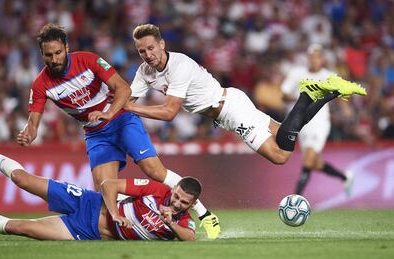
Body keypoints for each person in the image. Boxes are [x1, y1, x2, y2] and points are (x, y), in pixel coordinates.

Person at [15, 23, 220, 239]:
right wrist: (29, 133)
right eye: (49, 55)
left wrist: (109, 112)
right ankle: (137, 222)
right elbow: (33, 123)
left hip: (121, 120)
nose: (55, 59)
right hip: (96, 134)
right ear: (42, 54)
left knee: (154, 171)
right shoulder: (40, 84)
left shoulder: (88, 60)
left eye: (58, 52)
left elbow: (123, 88)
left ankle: (204, 213)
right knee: (105, 190)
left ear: (66, 48)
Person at [126, 24, 367, 167]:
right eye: (141, 51)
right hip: (230, 102)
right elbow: (126, 99)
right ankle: (331, 90)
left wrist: (131, 109)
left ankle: (305, 95)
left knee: (280, 155)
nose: (147, 54)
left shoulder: (179, 65)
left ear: (162, 44)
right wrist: (106, 109)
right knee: (286, 131)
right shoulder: (145, 71)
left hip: (230, 110)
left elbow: (169, 113)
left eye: (151, 48)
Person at [0, 144, 199, 241]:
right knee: (22, 179)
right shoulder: (157, 190)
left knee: (19, 227)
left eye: (184, 202)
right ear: (174, 188)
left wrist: (170, 223)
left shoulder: (183, 223)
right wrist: (115, 213)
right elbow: (109, 185)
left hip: (85, 231)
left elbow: (190, 238)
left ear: (192, 204)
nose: (177, 202)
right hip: (88, 202)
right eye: (177, 195)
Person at [281, 44, 353, 196]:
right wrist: (304, 99)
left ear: (322, 59)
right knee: (315, 162)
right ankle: (345, 177)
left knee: (308, 159)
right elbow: (284, 95)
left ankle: (295, 198)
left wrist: (345, 108)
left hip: (320, 123)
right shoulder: (297, 73)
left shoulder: (329, 76)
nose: (314, 60)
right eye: (311, 56)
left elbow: (340, 92)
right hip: (302, 123)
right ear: (308, 58)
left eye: (317, 56)